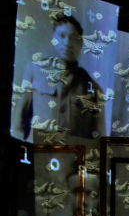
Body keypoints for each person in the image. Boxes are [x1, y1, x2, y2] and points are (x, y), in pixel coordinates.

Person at [12, 14, 106, 142]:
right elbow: (18, 126)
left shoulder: (93, 89)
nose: (67, 43)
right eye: (62, 36)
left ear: (80, 44)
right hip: (36, 153)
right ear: (53, 38)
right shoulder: (34, 70)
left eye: (73, 38)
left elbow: (98, 140)